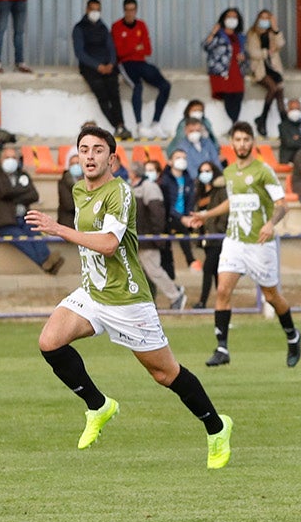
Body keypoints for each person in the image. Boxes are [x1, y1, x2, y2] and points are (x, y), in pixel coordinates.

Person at [25, 125, 233, 467]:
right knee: (50, 342)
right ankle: (98, 405)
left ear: (112, 158)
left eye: (97, 150)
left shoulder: (119, 191)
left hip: (127, 299)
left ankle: (216, 427)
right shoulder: (79, 190)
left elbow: (109, 244)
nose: (89, 156)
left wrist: (59, 229)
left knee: (165, 374)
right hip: (93, 293)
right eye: (84, 149)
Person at [185, 122, 301, 368]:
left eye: (246, 140)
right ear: (232, 143)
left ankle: (292, 335)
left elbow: (282, 204)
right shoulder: (228, 173)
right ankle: (221, 348)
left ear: (252, 143)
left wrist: (270, 223)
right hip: (234, 241)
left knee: (271, 296)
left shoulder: (263, 171)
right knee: (223, 291)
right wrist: (207, 215)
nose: (242, 144)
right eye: (237, 140)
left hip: (260, 244)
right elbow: (233, 202)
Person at [0, 145, 63, 275]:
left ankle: (47, 262)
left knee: (35, 233)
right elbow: (3, 192)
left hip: (24, 217)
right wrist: (22, 192)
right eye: (7, 157)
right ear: (0, 160)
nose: (10, 160)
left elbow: (33, 195)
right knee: (21, 239)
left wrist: (13, 194)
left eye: (13, 157)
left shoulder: (23, 174)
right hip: (4, 221)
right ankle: (46, 262)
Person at [127, 159, 186, 309]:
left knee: (154, 271)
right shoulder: (131, 187)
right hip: (136, 239)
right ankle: (148, 301)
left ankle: (175, 295)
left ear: (134, 173)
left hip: (148, 238)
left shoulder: (149, 188)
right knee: (142, 273)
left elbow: (157, 214)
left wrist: (156, 236)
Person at [112, 0, 171, 139]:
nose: (130, 13)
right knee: (137, 86)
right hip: (125, 64)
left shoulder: (141, 25)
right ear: (124, 10)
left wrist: (130, 47)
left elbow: (148, 49)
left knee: (165, 85)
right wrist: (136, 47)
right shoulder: (117, 26)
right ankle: (139, 126)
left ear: (136, 10)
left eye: (133, 10)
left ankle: (155, 123)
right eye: (127, 10)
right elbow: (119, 52)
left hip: (141, 62)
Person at [72, 0, 131, 140]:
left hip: (108, 67)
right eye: (92, 9)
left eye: (98, 10)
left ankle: (121, 125)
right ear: (87, 10)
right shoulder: (79, 28)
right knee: (102, 95)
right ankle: (117, 126)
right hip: (91, 68)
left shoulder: (103, 27)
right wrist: (97, 66)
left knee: (114, 95)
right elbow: (80, 53)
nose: (95, 13)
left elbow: (111, 47)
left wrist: (111, 63)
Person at [191, 161, 227, 308]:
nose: (205, 174)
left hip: (217, 237)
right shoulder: (199, 192)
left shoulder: (220, 190)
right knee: (215, 272)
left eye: (208, 171)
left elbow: (224, 212)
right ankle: (222, 302)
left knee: (208, 269)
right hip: (205, 236)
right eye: (202, 171)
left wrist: (218, 229)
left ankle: (203, 302)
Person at [245, 9, 286, 137]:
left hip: (273, 68)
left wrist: (275, 29)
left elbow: (281, 44)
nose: (264, 21)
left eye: (267, 18)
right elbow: (252, 53)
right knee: (273, 88)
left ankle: (284, 124)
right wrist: (265, 53)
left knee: (279, 92)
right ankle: (262, 120)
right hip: (260, 68)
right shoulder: (252, 33)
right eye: (262, 18)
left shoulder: (272, 33)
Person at [277, 98, 301, 165]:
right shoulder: (283, 126)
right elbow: (289, 143)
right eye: (292, 109)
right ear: (288, 110)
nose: (295, 111)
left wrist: (298, 138)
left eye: (297, 109)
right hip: (289, 160)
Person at [57, 154, 82, 227]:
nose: (75, 166)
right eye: (73, 164)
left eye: (77, 163)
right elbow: (69, 205)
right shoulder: (63, 182)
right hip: (68, 223)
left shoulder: (89, 180)